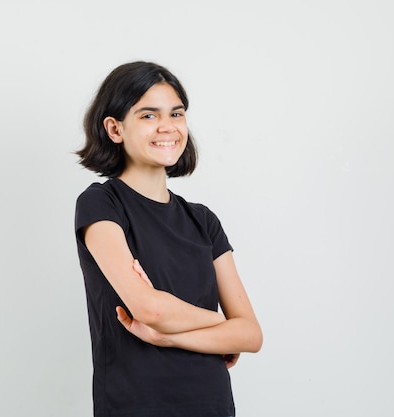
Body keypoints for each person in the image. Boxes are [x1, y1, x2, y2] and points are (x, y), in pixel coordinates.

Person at [74, 61, 262, 417]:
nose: (167, 127)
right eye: (148, 115)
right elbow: (151, 309)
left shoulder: (203, 220)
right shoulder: (100, 203)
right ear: (115, 129)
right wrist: (224, 326)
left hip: (212, 406)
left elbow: (252, 335)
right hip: (136, 405)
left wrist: (169, 335)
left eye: (176, 113)